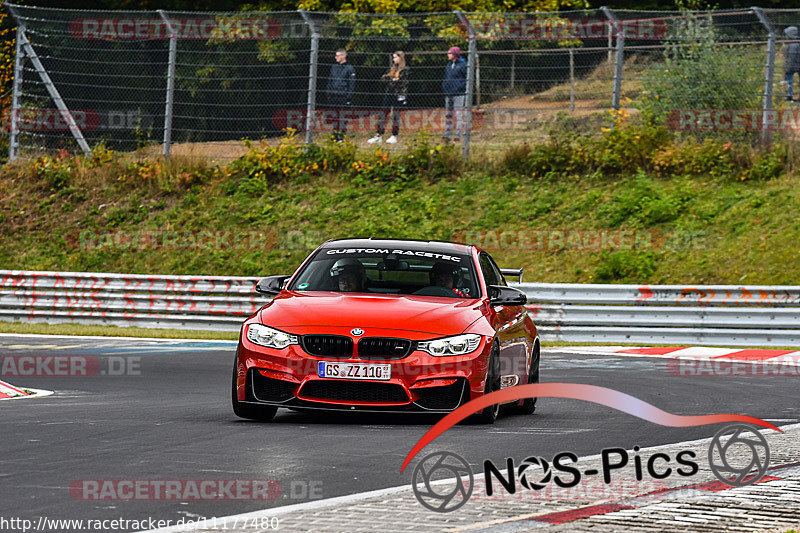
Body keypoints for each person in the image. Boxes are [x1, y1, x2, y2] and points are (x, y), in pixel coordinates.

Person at [368, 51, 409, 144]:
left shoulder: (405, 69)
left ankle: (394, 135)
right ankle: (378, 135)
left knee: (395, 115)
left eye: (395, 57)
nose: (394, 59)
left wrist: (392, 79)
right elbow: (383, 79)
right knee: (383, 113)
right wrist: (392, 79)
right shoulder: (391, 68)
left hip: (398, 94)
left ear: (400, 58)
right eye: (393, 57)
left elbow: (402, 83)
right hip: (389, 93)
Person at [325, 49, 356, 141]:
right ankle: (335, 134)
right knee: (334, 116)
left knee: (342, 117)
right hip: (333, 95)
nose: (336, 57)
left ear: (343, 56)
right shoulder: (334, 67)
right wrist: (328, 92)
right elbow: (330, 80)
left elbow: (351, 84)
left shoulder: (349, 68)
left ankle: (342, 135)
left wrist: (348, 97)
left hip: (343, 95)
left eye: (338, 55)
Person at [442, 46, 468, 143]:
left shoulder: (463, 64)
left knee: (458, 114)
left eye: (450, 53)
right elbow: (446, 76)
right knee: (448, 114)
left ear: (455, 54)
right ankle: (447, 135)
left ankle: (457, 136)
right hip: (448, 92)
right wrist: (445, 86)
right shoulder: (449, 65)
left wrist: (460, 87)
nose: (448, 55)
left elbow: (467, 78)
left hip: (458, 93)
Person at [785, 27, 800, 102]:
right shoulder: (797, 42)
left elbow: (791, 58)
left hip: (793, 66)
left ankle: (789, 95)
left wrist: (788, 68)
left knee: (789, 80)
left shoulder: (793, 45)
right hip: (797, 65)